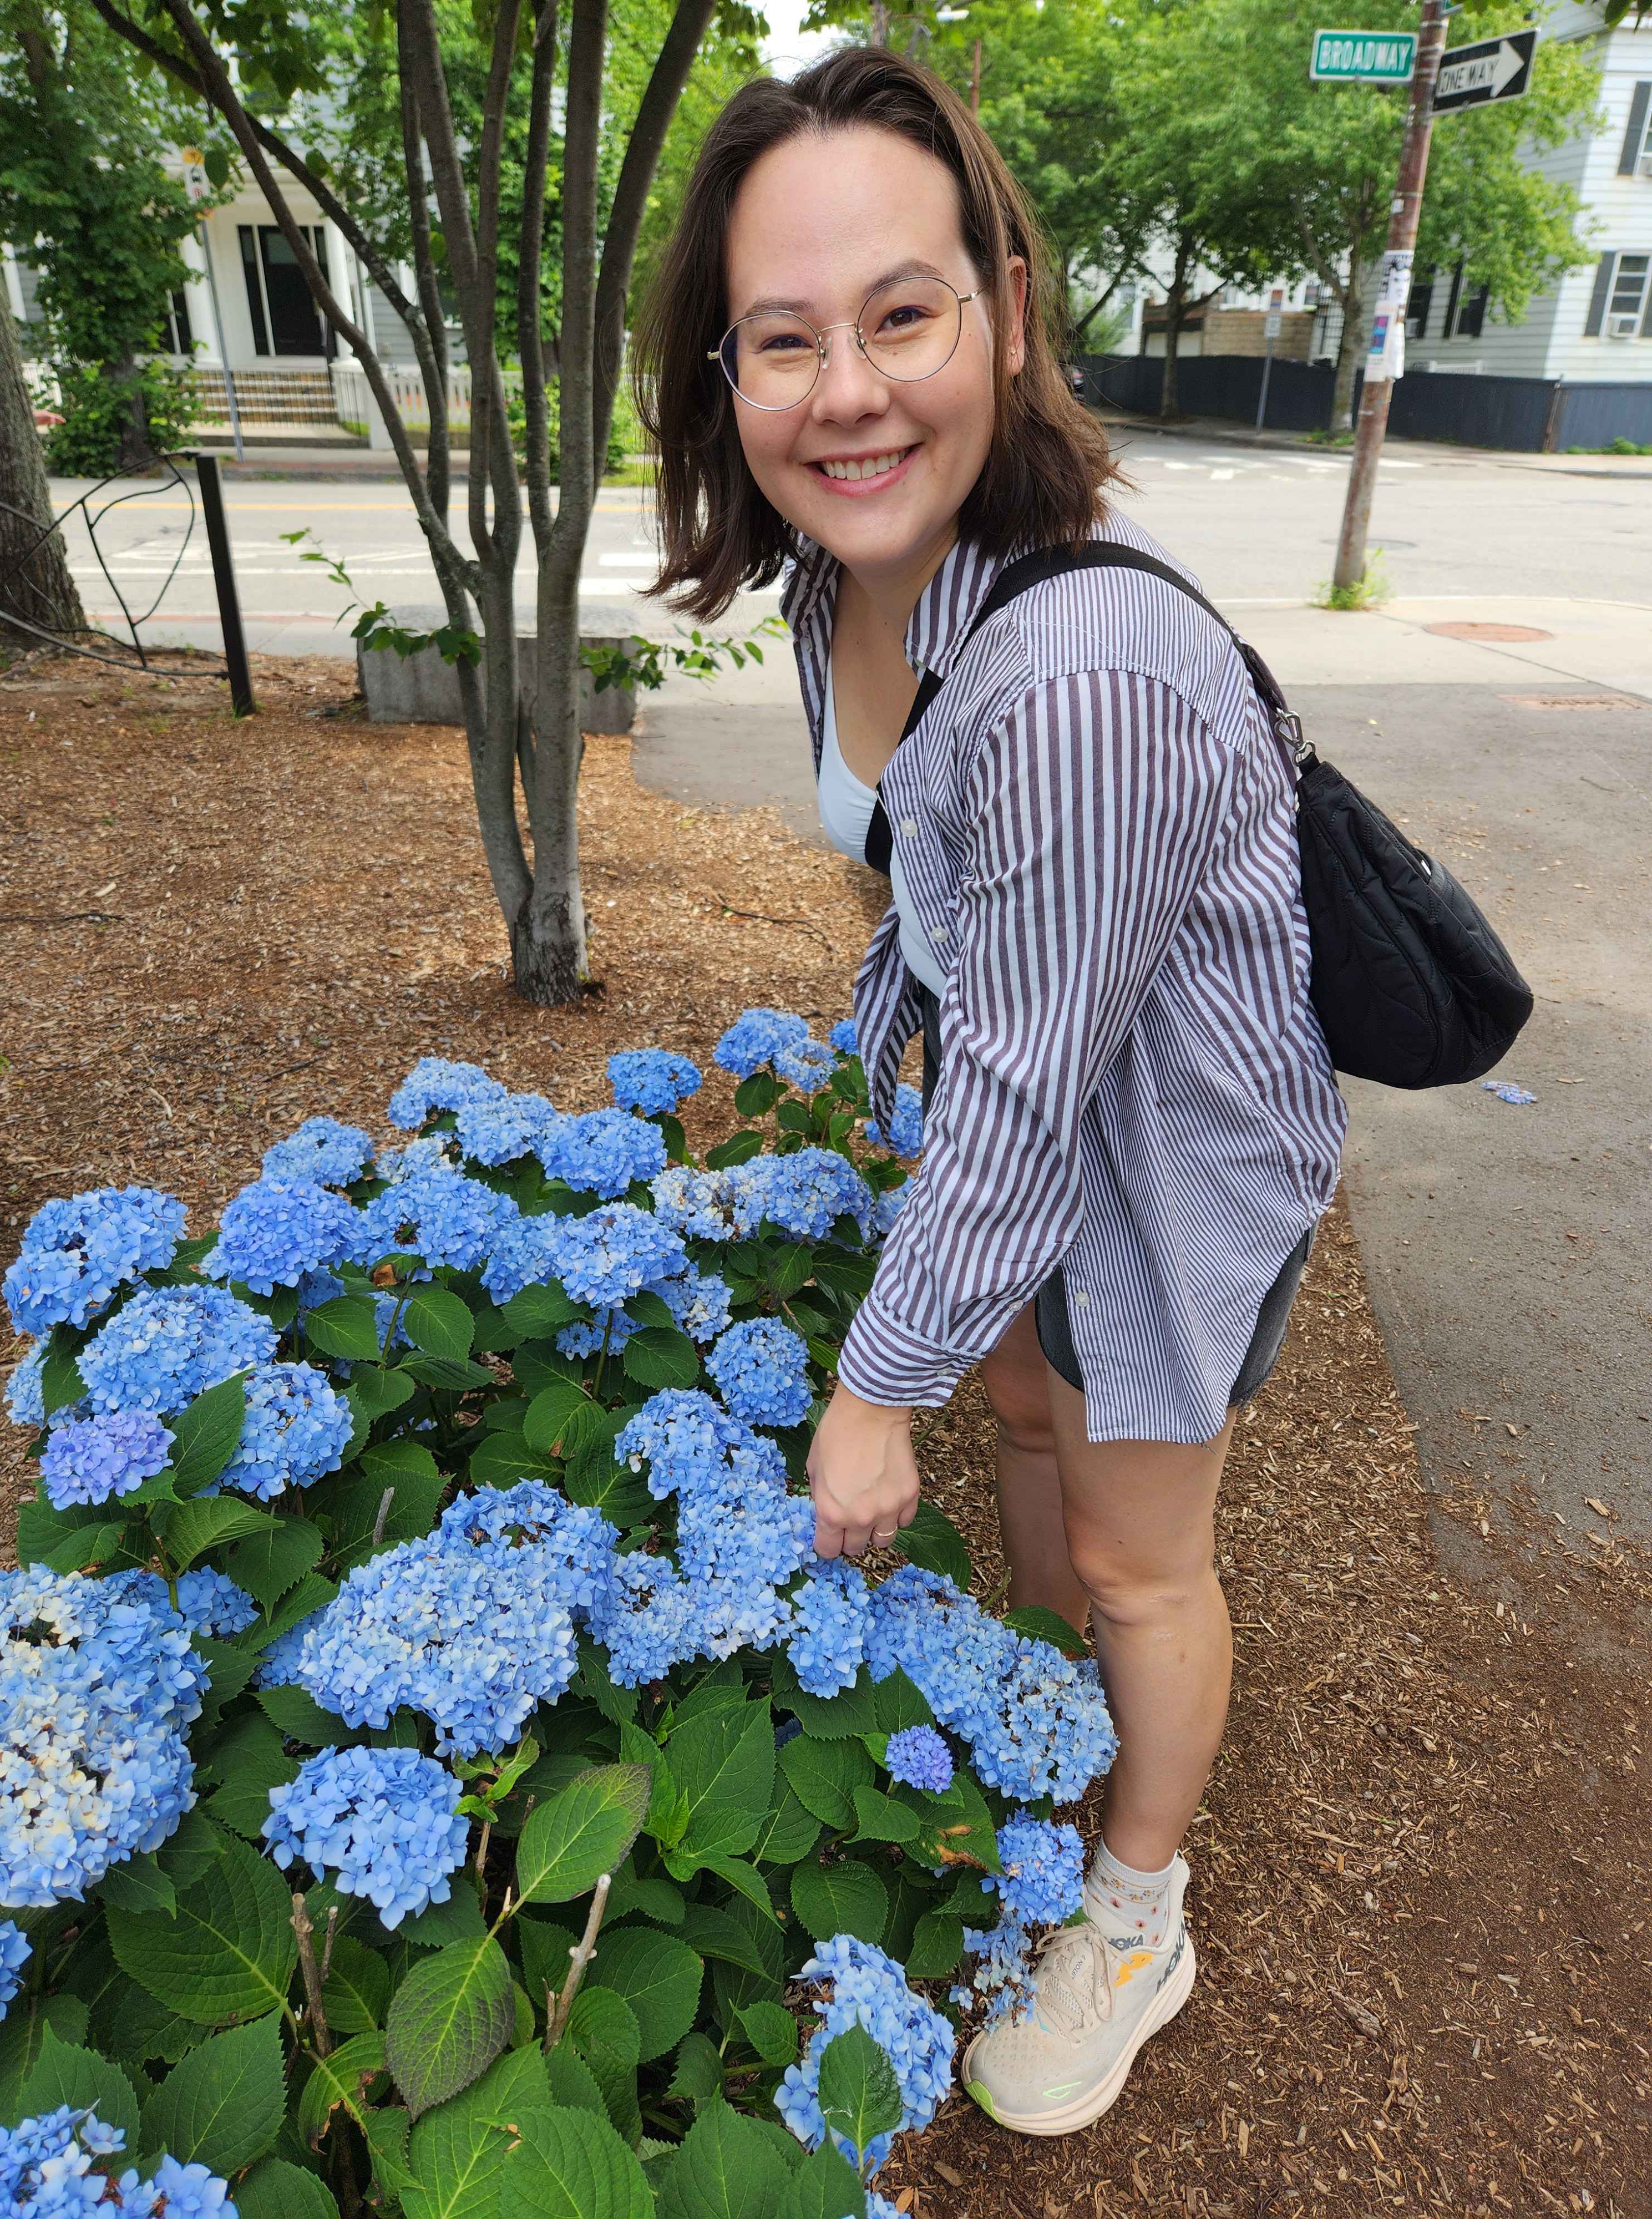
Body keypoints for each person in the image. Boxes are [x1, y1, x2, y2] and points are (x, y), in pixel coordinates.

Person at [632, 47, 1346, 2139]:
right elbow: (942, 903)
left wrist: (873, 1391)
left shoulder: (1074, 679)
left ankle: (1139, 1907)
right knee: (1023, 1410)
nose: (845, 389)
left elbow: (1043, 1103)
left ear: (1004, 319)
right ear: (728, 371)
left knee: (1140, 1546)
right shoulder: (838, 577)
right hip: (1024, 1091)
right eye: (786, 337)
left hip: (1166, 1147)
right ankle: (1054, 1721)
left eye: (903, 314)